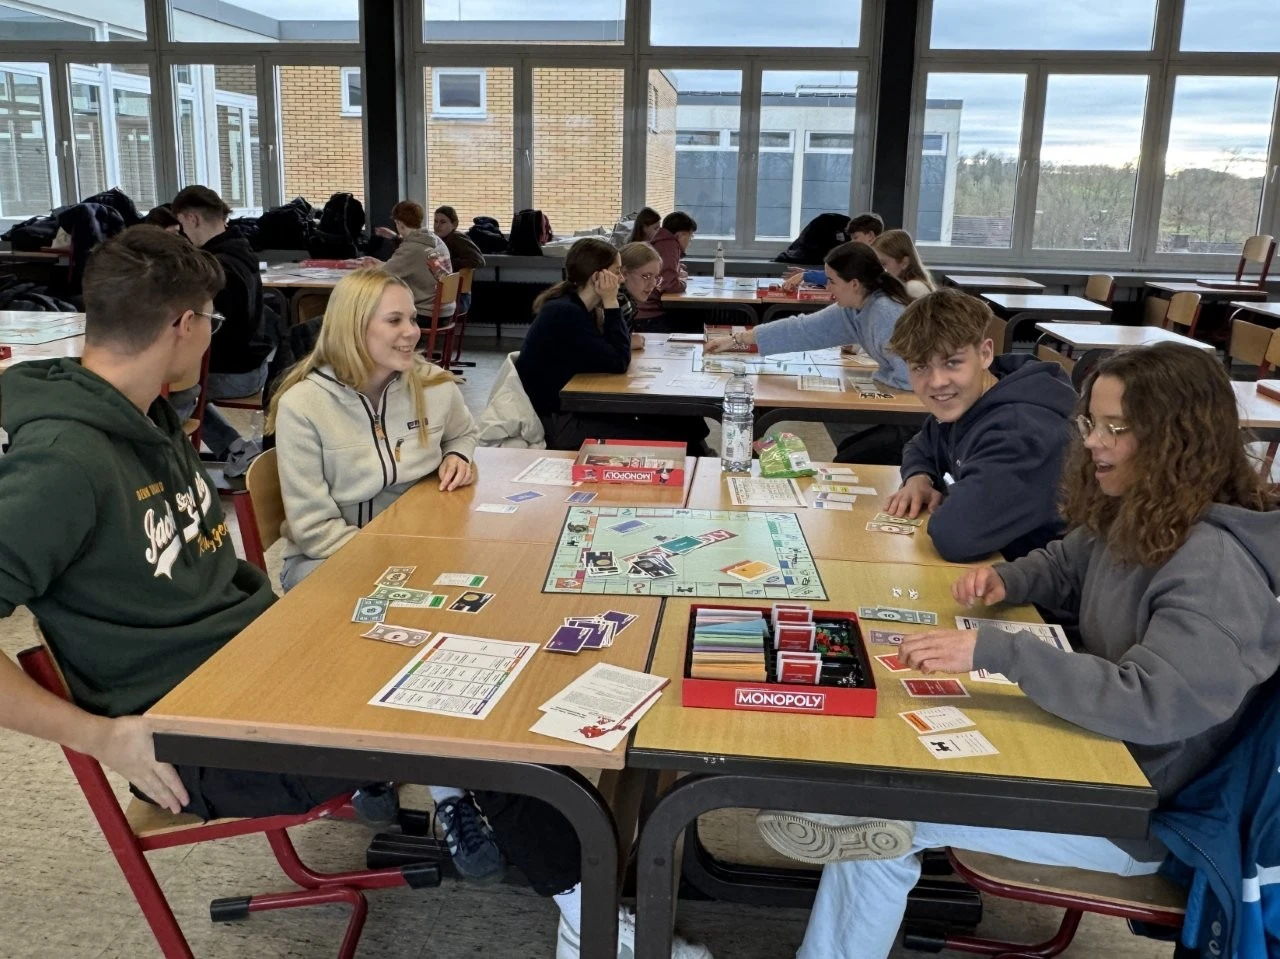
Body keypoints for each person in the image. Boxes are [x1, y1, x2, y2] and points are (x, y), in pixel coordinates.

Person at [756, 342, 1280, 959]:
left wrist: (1001, 651)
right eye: (1092, 423)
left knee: (893, 814)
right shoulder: (1146, 507)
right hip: (1099, 751)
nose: (1093, 442)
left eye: (1117, 429)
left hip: (1141, 809)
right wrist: (1010, 580)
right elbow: (1067, 563)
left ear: (1178, 440)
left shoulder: (1215, 568)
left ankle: (843, 814)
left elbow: (1150, 704)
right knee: (888, 803)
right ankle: (843, 813)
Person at [0, 224, 378, 826]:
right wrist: (98, 736)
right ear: (184, 324)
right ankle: (536, 862)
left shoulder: (147, 414)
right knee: (465, 730)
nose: (208, 336)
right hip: (193, 737)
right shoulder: (62, 463)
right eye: (211, 321)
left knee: (452, 668)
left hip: (255, 665)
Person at [269, 268, 478, 592]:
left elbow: (463, 433)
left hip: (415, 542)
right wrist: (398, 557)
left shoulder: (433, 383)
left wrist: (458, 455)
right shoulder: (302, 406)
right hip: (328, 559)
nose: (412, 332)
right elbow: (315, 531)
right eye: (394, 321)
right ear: (352, 328)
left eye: (413, 318)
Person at [883, 289, 1075, 562]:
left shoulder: (1020, 430)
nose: (937, 382)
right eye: (920, 367)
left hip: (1044, 581)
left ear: (985, 354)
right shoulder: (975, 398)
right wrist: (919, 477)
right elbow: (923, 443)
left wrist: (952, 496)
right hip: (1001, 564)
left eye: (952, 362)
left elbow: (956, 535)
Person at [515, 237, 708, 455]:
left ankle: (704, 462)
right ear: (598, 277)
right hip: (561, 423)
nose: (621, 279)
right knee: (674, 437)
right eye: (617, 272)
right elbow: (618, 361)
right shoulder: (565, 312)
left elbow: (611, 352)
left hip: (576, 409)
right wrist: (611, 302)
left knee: (683, 421)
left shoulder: (579, 307)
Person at [707, 241, 910, 391]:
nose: (828, 287)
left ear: (854, 284)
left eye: (832, 281)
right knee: (834, 416)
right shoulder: (853, 308)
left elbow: (909, 380)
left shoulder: (885, 312)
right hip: (897, 396)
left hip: (912, 413)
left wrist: (875, 387)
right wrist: (737, 339)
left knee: (840, 418)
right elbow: (803, 329)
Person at [169, 185, 272, 468]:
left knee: (163, 386)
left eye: (181, 225)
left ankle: (162, 457)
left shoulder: (214, 267)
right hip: (252, 363)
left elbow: (203, 331)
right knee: (183, 385)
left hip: (234, 371)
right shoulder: (239, 250)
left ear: (192, 218)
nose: (183, 234)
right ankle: (235, 448)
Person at [361, 201, 454, 329]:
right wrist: (380, 264)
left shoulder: (412, 248)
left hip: (427, 313)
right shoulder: (434, 240)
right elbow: (403, 265)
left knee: (371, 316)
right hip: (444, 310)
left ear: (399, 223)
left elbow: (383, 274)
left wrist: (372, 267)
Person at [784, 212, 886, 289]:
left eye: (855, 237)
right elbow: (840, 273)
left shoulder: (876, 258)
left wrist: (806, 275)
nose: (852, 242)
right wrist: (807, 272)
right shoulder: (868, 256)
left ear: (870, 235)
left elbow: (842, 277)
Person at [636, 211, 696, 331]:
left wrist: (678, 272)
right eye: (690, 237)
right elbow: (669, 285)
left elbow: (665, 272)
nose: (690, 241)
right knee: (695, 322)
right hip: (649, 315)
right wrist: (683, 281)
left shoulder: (661, 241)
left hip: (643, 311)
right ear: (680, 235)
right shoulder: (669, 244)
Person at [618, 240, 661, 344]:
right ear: (624, 273)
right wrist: (630, 342)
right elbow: (615, 344)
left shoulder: (628, 299)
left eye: (656, 277)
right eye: (646, 276)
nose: (653, 284)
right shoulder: (620, 301)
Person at [872, 229, 934, 299]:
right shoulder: (898, 287)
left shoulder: (914, 287)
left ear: (904, 263)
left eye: (883, 264)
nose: (878, 269)